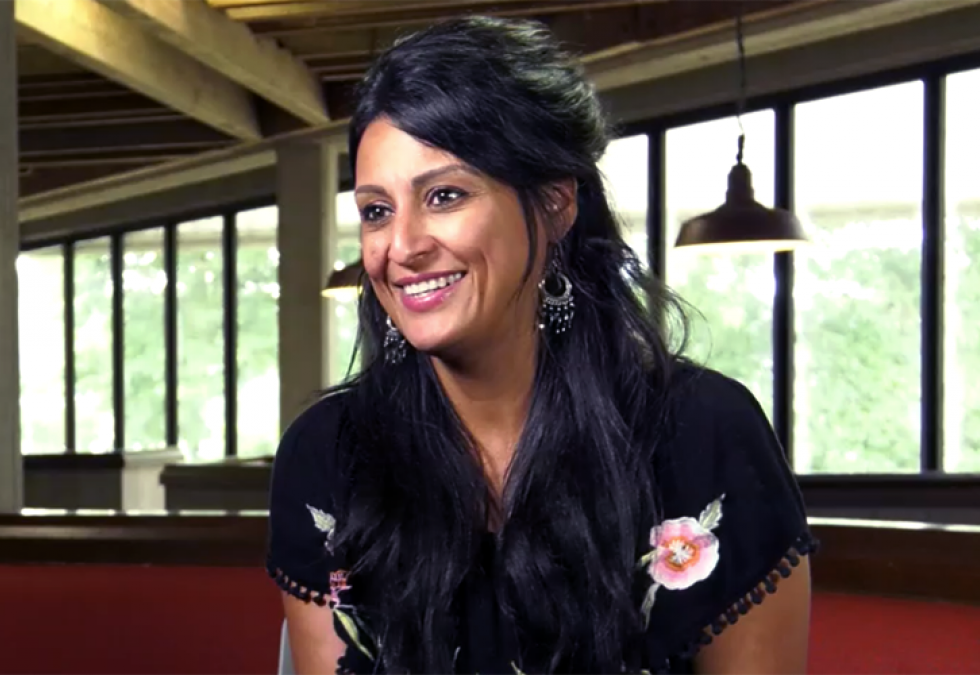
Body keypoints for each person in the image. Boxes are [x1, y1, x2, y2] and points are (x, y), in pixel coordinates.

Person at [266, 15, 815, 675]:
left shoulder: (705, 435)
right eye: (376, 210)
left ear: (556, 204)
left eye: (443, 195)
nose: (402, 247)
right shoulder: (327, 453)